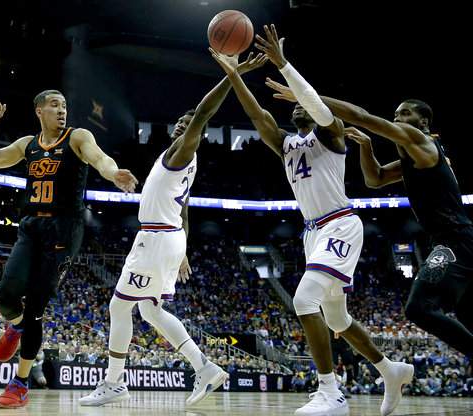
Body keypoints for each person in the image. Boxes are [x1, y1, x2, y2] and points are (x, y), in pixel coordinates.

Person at [210, 24, 413, 416]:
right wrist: (234, 74)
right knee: (336, 316)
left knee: (305, 300)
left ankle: (330, 392)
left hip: (340, 222)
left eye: (308, 102)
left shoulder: (332, 135)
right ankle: (390, 370)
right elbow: (256, 113)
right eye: (296, 104)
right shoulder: (285, 142)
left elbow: (319, 107)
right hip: (313, 232)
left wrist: (285, 66)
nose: (301, 106)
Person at [79, 52, 267, 407]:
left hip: (155, 239)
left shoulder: (183, 152)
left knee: (120, 308)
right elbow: (184, 209)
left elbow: (203, 112)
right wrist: (181, 253)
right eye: (179, 123)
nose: (183, 126)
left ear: (196, 131)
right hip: (169, 238)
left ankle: (114, 383)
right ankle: (204, 366)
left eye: (189, 124)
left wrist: (233, 73)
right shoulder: (183, 161)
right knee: (150, 311)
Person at [266, 60, 473, 358]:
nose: (398, 117)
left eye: (406, 113)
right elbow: (374, 180)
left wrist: (305, 95)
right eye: (396, 113)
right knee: (464, 314)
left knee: (419, 308)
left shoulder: (422, 141)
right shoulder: (412, 160)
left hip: (456, 241)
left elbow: (361, 116)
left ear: (424, 122)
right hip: (450, 240)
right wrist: (366, 147)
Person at [0, 90, 138, 408]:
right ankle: (17, 324)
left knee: (37, 306)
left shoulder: (77, 136)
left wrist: (112, 173)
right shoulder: (28, 145)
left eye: (64, 106)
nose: (61, 111)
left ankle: (20, 383)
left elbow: (99, 158)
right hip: (31, 226)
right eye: (54, 106)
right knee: (8, 295)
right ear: (39, 111)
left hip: (65, 230)